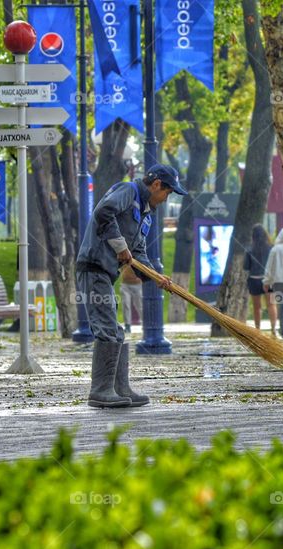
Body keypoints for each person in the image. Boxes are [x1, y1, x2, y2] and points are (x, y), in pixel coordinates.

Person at [75, 164, 183, 408]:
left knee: (117, 330)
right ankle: (100, 390)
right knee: (107, 328)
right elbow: (103, 213)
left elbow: (137, 253)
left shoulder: (146, 213)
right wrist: (120, 245)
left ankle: (118, 388)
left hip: (105, 273)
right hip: (93, 268)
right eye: (168, 192)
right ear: (156, 185)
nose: (167, 198)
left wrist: (156, 277)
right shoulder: (127, 191)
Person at [243, 224, 276, 337]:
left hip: (254, 280)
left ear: (253, 235)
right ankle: (273, 329)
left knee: (257, 307)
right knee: (271, 305)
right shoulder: (271, 248)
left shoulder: (249, 249)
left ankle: (257, 330)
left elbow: (246, 267)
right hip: (268, 280)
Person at [120, 265, 143, 334]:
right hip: (125, 284)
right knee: (126, 305)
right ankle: (127, 326)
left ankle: (146, 324)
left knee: (139, 306)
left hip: (137, 285)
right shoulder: (123, 254)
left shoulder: (138, 255)